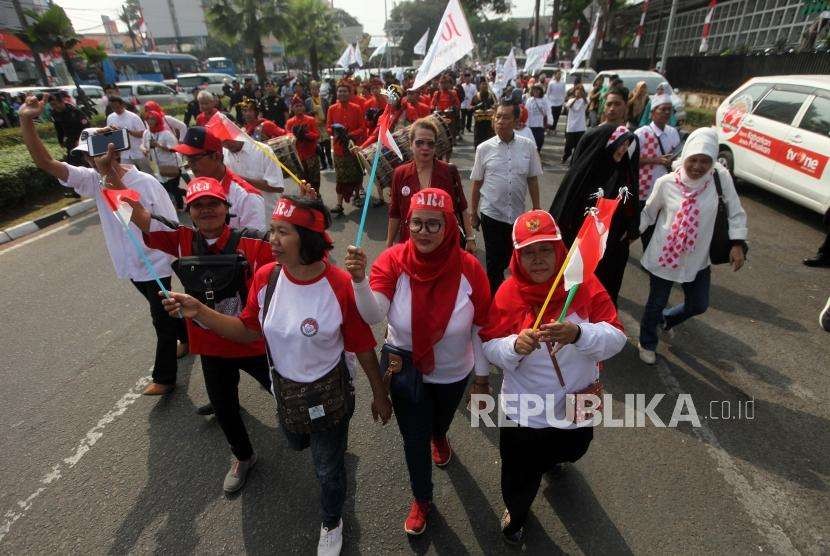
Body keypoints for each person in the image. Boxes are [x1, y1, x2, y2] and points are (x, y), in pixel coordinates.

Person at [160, 195, 393, 555]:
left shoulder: (338, 284)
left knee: (327, 468)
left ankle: (332, 520)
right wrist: (200, 311)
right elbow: (247, 330)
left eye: (283, 232)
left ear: (307, 237)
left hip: (329, 394)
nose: (273, 240)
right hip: (285, 393)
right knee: (297, 443)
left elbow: (363, 345)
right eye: (272, 230)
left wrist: (380, 394)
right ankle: (326, 455)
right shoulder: (267, 277)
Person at [344, 187, 491, 536]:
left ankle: (439, 436)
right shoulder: (392, 261)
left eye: (433, 225)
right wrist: (359, 281)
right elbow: (372, 314)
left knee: (438, 423)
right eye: (417, 224)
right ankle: (422, 498)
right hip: (404, 368)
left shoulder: (470, 269)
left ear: (449, 227)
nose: (423, 232)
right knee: (414, 438)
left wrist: (482, 381)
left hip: (453, 373)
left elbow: (480, 327)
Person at [17, 96, 187, 395]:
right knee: (160, 308)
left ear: (115, 151)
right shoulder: (93, 181)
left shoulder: (145, 183)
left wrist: (114, 180)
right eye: (86, 157)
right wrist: (26, 121)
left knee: (159, 317)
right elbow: (45, 163)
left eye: (93, 154)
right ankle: (188, 336)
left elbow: (161, 226)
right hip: (130, 265)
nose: (89, 161)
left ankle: (165, 377)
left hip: (155, 261)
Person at [479, 209, 626, 545]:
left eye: (546, 249)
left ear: (560, 250)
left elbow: (615, 337)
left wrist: (577, 333)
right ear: (516, 256)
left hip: (577, 401)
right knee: (519, 472)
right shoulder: (507, 292)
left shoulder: (584, 285)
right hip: (524, 409)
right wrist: (514, 345)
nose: (538, 259)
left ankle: (552, 459)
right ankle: (516, 515)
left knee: (576, 446)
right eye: (528, 252)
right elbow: (489, 345)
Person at [127, 177, 275, 492]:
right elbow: (139, 215)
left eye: (213, 204)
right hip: (210, 347)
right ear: (189, 211)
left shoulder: (254, 242)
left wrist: (308, 207)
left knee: (285, 394)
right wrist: (110, 175)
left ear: (226, 208)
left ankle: (317, 436)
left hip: (252, 342)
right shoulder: (181, 240)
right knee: (224, 407)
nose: (207, 211)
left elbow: (292, 245)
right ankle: (244, 457)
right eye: (198, 205)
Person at [638, 128, 747, 364]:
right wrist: (626, 234)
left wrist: (737, 243)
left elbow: (735, 212)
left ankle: (666, 320)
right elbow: (648, 213)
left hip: (698, 257)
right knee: (656, 301)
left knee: (699, 304)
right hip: (664, 255)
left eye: (705, 161)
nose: (698, 166)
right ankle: (647, 341)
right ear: (685, 157)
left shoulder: (720, 178)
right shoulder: (666, 182)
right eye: (693, 160)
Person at [549, 124, 640, 305]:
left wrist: (631, 229)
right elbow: (566, 210)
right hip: (582, 246)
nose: (623, 149)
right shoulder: (586, 173)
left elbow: (632, 204)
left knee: (603, 295)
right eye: (620, 144)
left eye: (627, 144)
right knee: (574, 293)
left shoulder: (625, 171)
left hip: (612, 248)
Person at [471, 101, 543, 292]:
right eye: (498, 117)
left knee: (517, 260)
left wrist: (536, 209)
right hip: (491, 214)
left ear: (516, 121)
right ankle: (495, 302)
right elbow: (477, 182)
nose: (500, 121)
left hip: (518, 217)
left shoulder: (528, 146)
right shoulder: (484, 149)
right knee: (494, 263)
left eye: (506, 117)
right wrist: (473, 212)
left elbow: (532, 179)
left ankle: (517, 298)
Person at [386, 118, 475, 251]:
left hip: (444, 244)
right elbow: (395, 213)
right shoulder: (400, 174)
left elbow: (461, 206)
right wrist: (389, 243)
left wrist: (470, 238)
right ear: (411, 144)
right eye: (419, 143)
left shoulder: (449, 171)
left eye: (430, 144)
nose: (425, 148)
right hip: (410, 243)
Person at [171, 127, 268, 233]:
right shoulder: (195, 188)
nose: (190, 165)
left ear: (216, 156)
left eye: (195, 158)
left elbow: (254, 245)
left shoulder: (247, 197)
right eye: (187, 159)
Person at [634, 94, 681, 214]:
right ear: (653, 112)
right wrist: (656, 160)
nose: (666, 113)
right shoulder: (642, 133)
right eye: (663, 109)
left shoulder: (673, 132)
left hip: (665, 189)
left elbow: (678, 155)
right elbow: (631, 160)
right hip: (643, 188)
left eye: (669, 110)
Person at [221, 135, 285, 222]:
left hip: (268, 216)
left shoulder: (262, 150)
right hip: (245, 219)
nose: (226, 144)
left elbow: (277, 187)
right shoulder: (223, 155)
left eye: (226, 139)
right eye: (221, 141)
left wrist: (239, 180)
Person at [327, 82, 366, 214]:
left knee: (357, 174)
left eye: (345, 91)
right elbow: (328, 128)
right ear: (336, 94)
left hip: (353, 147)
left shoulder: (357, 108)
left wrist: (349, 134)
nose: (342, 94)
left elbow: (362, 127)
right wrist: (336, 132)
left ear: (350, 94)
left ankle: (358, 196)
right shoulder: (331, 109)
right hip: (339, 149)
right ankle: (339, 204)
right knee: (340, 178)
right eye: (340, 91)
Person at [141, 109, 184, 210]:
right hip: (155, 165)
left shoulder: (166, 134)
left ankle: (180, 205)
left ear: (158, 120)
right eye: (148, 119)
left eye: (152, 119)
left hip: (170, 164)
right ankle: (172, 204)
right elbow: (142, 145)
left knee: (172, 188)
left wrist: (158, 145)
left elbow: (173, 149)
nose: (149, 121)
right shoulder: (146, 133)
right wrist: (144, 149)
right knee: (163, 187)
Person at [106, 95, 152, 174]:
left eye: (117, 107)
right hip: (124, 153)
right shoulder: (110, 117)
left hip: (139, 152)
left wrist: (127, 131)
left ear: (122, 105)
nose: (116, 109)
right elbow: (109, 134)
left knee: (147, 173)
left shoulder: (133, 117)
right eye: (113, 107)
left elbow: (143, 134)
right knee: (128, 175)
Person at [286, 96, 322, 193]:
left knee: (315, 180)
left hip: (311, 155)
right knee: (302, 181)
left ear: (304, 107)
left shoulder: (310, 120)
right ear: (292, 108)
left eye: (300, 106)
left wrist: (306, 134)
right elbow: (287, 137)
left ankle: (316, 196)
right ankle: (306, 200)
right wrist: (294, 136)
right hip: (298, 157)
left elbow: (317, 135)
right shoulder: (290, 122)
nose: (298, 108)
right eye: (296, 106)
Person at [48, 91, 89, 167]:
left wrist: (81, 140)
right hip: (70, 141)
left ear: (61, 102)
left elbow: (86, 127)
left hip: (82, 140)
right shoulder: (54, 114)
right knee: (73, 162)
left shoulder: (75, 111)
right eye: (51, 105)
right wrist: (61, 141)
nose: (54, 107)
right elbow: (58, 129)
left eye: (55, 104)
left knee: (85, 162)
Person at [431, 74, 460, 161]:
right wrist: (435, 110)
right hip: (439, 121)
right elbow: (432, 105)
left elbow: (457, 105)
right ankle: (439, 161)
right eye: (442, 83)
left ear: (449, 84)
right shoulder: (437, 94)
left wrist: (452, 109)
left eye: (446, 83)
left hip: (450, 121)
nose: (444, 85)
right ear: (439, 84)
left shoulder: (453, 93)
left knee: (449, 142)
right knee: (439, 142)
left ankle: (447, 161)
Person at [308, 81, 333, 171]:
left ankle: (330, 162)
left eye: (316, 89)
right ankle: (323, 164)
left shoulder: (324, 100)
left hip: (324, 126)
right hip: (315, 127)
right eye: (313, 89)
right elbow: (306, 114)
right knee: (319, 147)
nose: (315, 90)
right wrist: (312, 113)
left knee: (327, 145)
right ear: (310, 90)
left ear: (319, 90)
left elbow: (329, 112)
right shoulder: (308, 101)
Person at [562, 85, 587, 164]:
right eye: (577, 90)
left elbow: (586, 103)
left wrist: (582, 97)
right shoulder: (571, 100)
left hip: (580, 127)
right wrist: (575, 99)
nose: (578, 92)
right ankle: (566, 156)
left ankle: (574, 161)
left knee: (578, 146)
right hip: (571, 127)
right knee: (568, 145)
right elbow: (568, 106)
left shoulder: (584, 101)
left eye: (580, 91)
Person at [524, 85, 552, 154]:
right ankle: (532, 154)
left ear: (540, 91)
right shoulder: (529, 100)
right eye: (534, 90)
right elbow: (526, 112)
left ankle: (537, 152)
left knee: (540, 141)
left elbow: (547, 111)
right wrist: (526, 124)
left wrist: (549, 121)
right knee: (531, 141)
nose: (535, 92)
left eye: (537, 90)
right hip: (531, 125)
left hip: (540, 125)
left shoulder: (544, 100)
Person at [471, 80, 496, 148]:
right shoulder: (476, 96)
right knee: (478, 142)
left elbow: (496, 107)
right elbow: (471, 108)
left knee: (489, 141)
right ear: (480, 86)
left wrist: (492, 109)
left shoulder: (492, 96)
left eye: (486, 84)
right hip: (479, 122)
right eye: (483, 84)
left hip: (489, 123)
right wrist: (477, 107)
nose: (484, 86)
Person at [545, 69, 566, 135]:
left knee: (557, 117)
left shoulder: (563, 83)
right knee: (552, 117)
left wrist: (563, 102)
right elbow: (548, 93)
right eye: (558, 74)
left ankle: (553, 129)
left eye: (560, 74)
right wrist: (547, 102)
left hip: (559, 103)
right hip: (552, 103)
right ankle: (550, 129)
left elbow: (563, 93)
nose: (559, 75)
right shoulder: (551, 83)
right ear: (555, 75)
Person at [459, 71, 477, 136]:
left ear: (470, 78)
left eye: (468, 78)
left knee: (469, 117)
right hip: (463, 104)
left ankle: (468, 127)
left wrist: (473, 104)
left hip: (470, 104)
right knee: (462, 118)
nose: (467, 79)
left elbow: (475, 95)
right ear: (464, 78)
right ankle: (462, 129)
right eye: (466, 78)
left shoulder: (473, 86)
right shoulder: (462, 85)